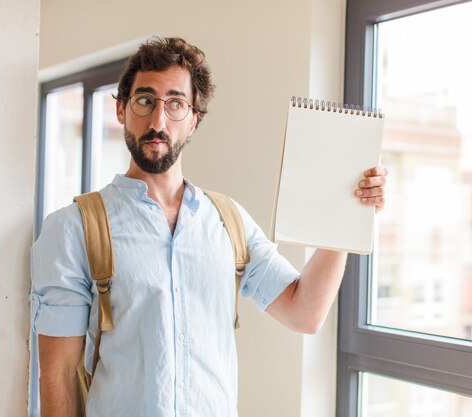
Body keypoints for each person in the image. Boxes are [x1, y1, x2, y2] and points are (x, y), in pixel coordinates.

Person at [31, 37, 388, 417]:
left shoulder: (228, 220)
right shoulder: (72, 229)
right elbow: (59, 377)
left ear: (194, 119)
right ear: (121, 109)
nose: (158, 121)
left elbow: (305, 313)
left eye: (176, 104)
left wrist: (348, 213)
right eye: (144, 100)